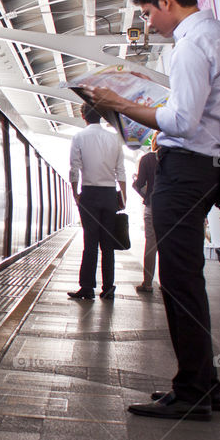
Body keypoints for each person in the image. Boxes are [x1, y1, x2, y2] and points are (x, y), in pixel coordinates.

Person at [82, 0, 220, 421]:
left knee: (179, 282)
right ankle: (205, 384)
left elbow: (181, 121)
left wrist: (121, 103)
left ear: (167, 2)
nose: (148, 25)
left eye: (149, 14)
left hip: (186, 170)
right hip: (206, 167)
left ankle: (193, 391)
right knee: (186, 279)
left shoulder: (192, 45)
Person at [67, 104, 127, 301]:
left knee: (90, 243)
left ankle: (87, 288)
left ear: (83, 116)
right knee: (107, 244)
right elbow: (121, 171)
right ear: (101, 116)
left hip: (90, 194)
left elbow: (74, 168)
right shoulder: (114, 138)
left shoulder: (79, 137)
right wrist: (123, 197)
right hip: (110, 194)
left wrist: (76, 193)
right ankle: (108, 288)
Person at [132, 132, 159, 292]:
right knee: (168, 245)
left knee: (151, 244)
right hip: (172, 208)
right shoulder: (177, 159)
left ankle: (147, 283)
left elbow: (139, 184)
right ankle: (168, 285)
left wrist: (146, 194)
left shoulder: (148, 159)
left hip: (152, 206)